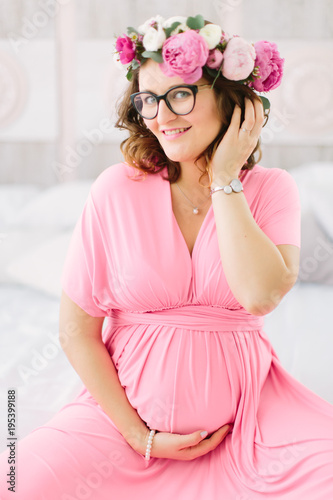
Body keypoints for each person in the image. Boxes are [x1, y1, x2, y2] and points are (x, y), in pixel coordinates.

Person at [1, 13, 333, 500]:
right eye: (149, 100)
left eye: (179, 94)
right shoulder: (116, 189)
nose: (160, 115)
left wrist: (226, 178)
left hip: (247, 428)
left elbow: (260, 295)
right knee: (17, 476)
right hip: (121, 432)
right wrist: (140, 435)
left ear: (231, 101)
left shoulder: (271, 190)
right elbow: (76, 330)